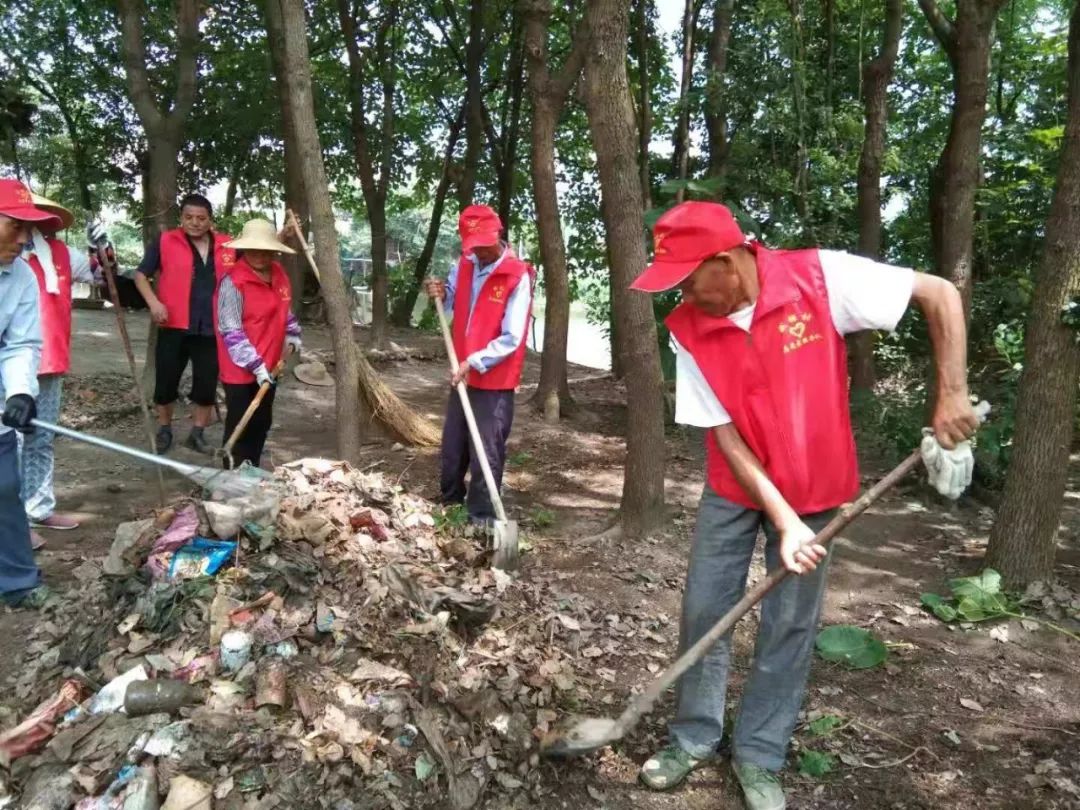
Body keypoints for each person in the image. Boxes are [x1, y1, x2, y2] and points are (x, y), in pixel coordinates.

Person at [631, 202, 979, 810]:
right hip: (736, 487)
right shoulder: (687, 328)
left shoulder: (820, 278)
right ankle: (692, 737)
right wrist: (781, 519)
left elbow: (941, 293)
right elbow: (725, 433)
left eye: (688, 279)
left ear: (727, 261)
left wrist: (950, 394)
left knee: (790, 622)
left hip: (818, 488)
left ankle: (759, 755)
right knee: (705, 608)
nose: (683, 294)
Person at [424, 204, 534, 524]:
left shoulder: (517, 275)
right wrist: (439, 295)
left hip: (493, 378)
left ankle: (482, 519)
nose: (479, 252)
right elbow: (447, 309)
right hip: (463, 373)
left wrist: (475, 361)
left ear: (498, 234)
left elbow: (513, 337)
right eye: (473, 246)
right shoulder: (465, 264)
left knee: (487, 451)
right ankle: (450, 506)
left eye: (484, 244)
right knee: (453, 445)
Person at [19, 193, 101, 547]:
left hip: (51, 358)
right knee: (13, 441)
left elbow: (98, 273)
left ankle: (38, 507)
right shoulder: (11, 255)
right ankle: (12, 521)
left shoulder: (63, 254)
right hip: (12, 362)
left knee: (42, 438)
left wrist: (103, 251)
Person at [134, 193, 234, 455]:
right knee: (165, 382)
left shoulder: (227, 245)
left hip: (211, 327)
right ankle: (165, 429)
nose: (195, 223)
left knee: (206, 383)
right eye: (189, 217)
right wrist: (154, 304)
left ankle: (197, 434)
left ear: (210, 220)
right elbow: (140, 275)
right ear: (181, 218)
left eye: (201, 218)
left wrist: (282, 238)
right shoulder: (166, 241)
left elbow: (256, 256)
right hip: (173, 325)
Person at [0, 178, 60, 608]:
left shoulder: (19, 274)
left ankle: (19, 583)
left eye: (28, 229)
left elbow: (21, 343)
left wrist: (21, 392)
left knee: (5, 486)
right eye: (14, 226)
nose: (24, 240)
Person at [215, 218, 300, 468]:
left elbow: (285, 309)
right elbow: (230, 330)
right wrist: (256, 366)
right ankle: (232, 477)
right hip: (240, 368)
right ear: (245, 249)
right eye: (254, 249)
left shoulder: (279, 274)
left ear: (274, 250)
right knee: (241, 423)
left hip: (271, 363)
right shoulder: (233, 282)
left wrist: (293, 333)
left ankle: (250, 469)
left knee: (262, 421)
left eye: (266, 250)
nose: (260, 255)